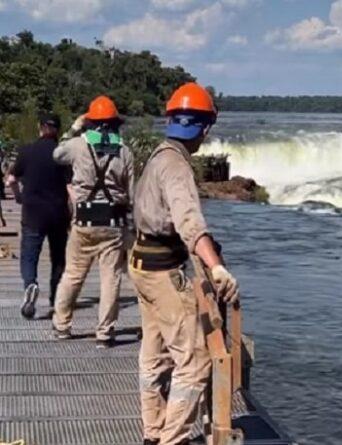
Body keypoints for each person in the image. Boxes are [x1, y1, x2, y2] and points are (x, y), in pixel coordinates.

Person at [130, 82, 239, 445]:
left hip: (141, 263)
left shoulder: (157, 156)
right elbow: (190, 223)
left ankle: (153, 431)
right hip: (163, 272)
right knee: (194, 363)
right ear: (204, 129)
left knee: (155, 352)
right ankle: (172, 439)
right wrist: (216, 267)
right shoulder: (176, 165)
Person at [51, 96, 134, 348]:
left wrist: (74, 127)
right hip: (113, 222)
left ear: (90, 122)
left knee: (73, 274)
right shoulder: (124, 151)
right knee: (111, 278)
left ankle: (62, 326)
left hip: (84, 221)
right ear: (114, 123)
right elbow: (132, 192)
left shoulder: (77, 145)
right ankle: (105, 333)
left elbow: (56, 154)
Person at [5, 113, 71, 319]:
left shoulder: (27, 151)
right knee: (58, 258)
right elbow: (71, 188)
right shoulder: (63, 155)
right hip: (58, 214)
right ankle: (56, 299)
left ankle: (31, 284)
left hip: (32, 213)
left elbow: (11, 180)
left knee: (29, 256)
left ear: (40, 127)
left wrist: (18, 197)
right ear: (58, 130)